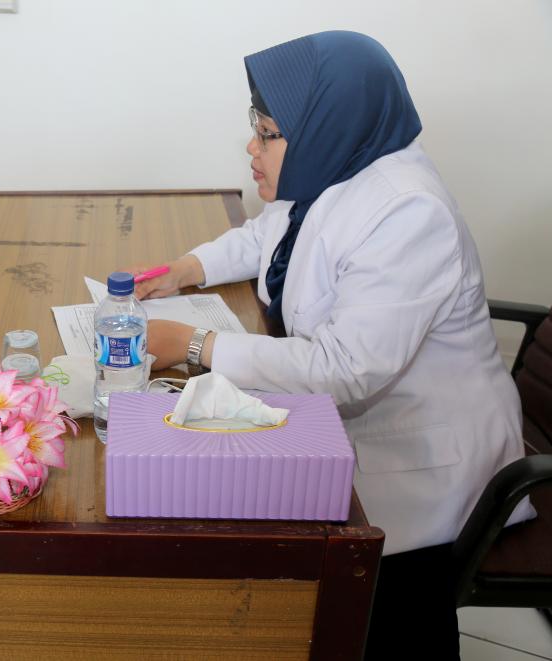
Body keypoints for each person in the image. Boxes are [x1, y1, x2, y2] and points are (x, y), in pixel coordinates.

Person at [132, 31, 533, 660]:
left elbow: (345, 369)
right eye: (256, 128)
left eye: (267, 134)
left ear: (324, 126)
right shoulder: (337, 161)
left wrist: (195, 344)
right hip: (356, 421)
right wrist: (186, 268)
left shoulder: (409, 213)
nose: (252, 147)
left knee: (296, 566)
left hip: (425, 462)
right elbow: (266, 235)